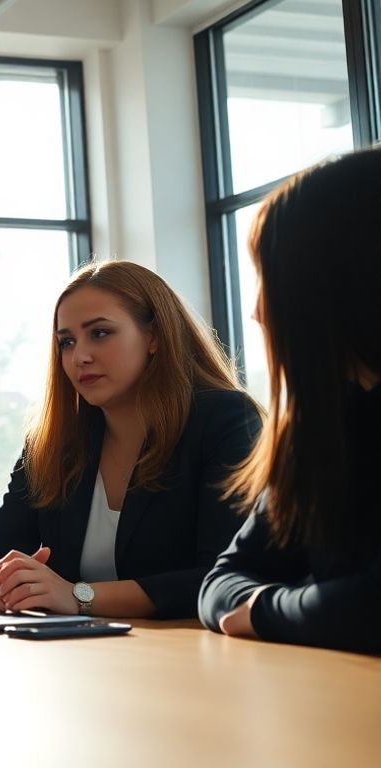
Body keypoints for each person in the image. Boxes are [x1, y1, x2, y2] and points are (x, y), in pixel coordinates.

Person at [0, 260, 261, 619]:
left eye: (100, 333)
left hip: (192, 654)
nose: (79, 357)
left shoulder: (223, 418)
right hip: (83, 657)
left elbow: (220, 579)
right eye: (66, 342)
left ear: (154, 337)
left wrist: (78, 596)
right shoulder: (53, 441)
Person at [200, 148, 381, 653]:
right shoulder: (326, 425)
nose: (257, 310)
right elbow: (223, 579)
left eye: (271, 279)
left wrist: (262, 609)